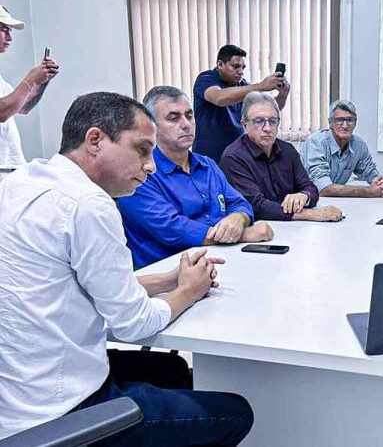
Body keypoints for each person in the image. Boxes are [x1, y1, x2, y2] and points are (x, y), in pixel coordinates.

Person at [0, 92, 253, 445]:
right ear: (95, 140)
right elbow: (133, 324)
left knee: (173, 369)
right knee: (236, 412)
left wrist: (166, 279)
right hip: (59, 411)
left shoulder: (21, 182)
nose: (151, 165)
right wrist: (187, 292)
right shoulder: (89, 204)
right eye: (142, 149)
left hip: (16, 397)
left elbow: (78, 283)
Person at [117, 86, 274, 269]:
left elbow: (239, 203)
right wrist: (243, 234)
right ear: (151, 127)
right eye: (173, 118)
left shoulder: (207, 165)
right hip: (166, 275)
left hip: (219, 263)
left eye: (189, 115)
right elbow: (172, 229)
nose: (186, 124)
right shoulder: (139, 173)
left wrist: (238, 219)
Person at [220, 92, 342, 222]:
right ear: (245, 125)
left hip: (293, 229)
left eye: (273, 121)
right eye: (259, 121)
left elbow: (310, 187)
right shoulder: (233, 157)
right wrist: (311, 215)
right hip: (257, 230)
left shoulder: (287, 150)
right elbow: (256, 206)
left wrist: (304, 196)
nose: (267, 128)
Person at [192, 44, 290, 163]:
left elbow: (268, 110)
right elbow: (218, 98)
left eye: (243, 68)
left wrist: (283, 95)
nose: (240, 72)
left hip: (236, 157)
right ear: (220, 64)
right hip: (208, 158)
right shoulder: (206, 79)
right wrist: (260, 86)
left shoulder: (243, 86)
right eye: (235, 66)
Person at [0, 5, 59, 165]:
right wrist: (31, 80)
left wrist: (42, 82)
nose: (10, 38)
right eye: (4, 29)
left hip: (9, 169)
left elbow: (22, 107)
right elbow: (2, 112)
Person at [300, 99, 383, 197]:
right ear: (330, 123)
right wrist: (369, 192)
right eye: (339, 120)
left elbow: (372, 174)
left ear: (355, 123)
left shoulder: (359, 145)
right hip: (303, 200)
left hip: (336, 201)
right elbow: (323, 188)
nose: (345, 125)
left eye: (349, 120)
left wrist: (382, 185)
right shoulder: (316, 142)